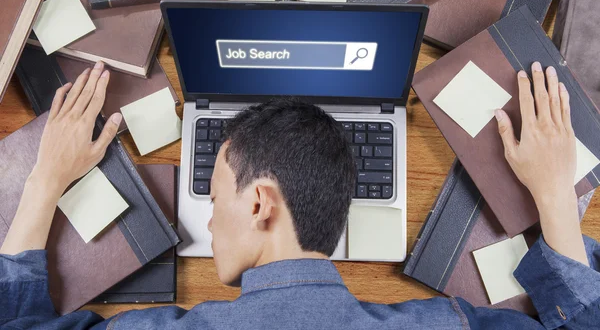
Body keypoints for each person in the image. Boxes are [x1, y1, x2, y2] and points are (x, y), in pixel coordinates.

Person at [1, 61, 599, 329]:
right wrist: (553, 193)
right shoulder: (444, 324)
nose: (208, 223)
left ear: (261, 202)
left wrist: (45, 180)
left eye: (214, 201)